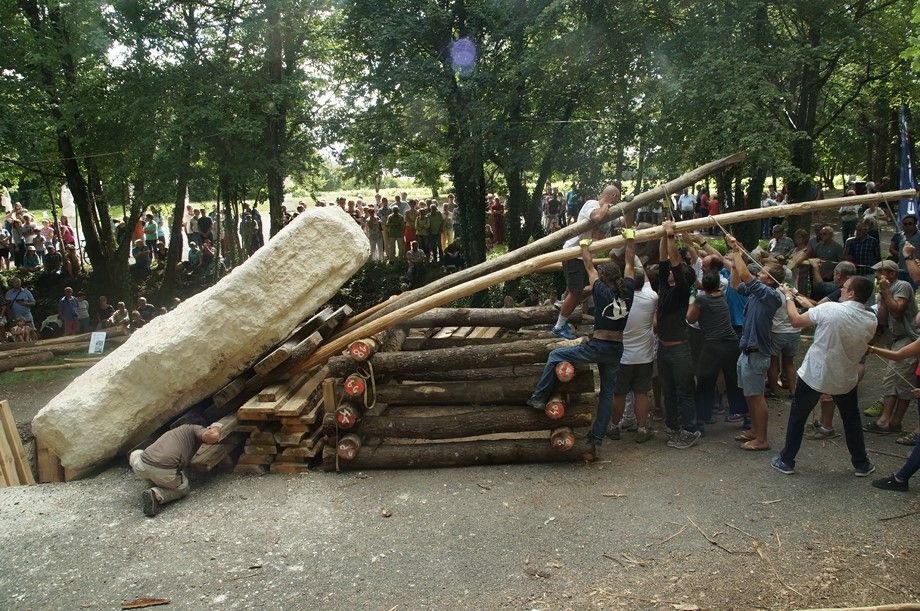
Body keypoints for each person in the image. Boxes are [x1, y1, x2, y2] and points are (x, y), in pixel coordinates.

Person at [526, 227, 637, 453]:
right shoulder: (629, 291)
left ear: (603, 279)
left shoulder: (601, 290)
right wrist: (630, 239)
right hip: (616, 349)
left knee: (556, 354)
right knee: (606, 393)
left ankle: (538, 397)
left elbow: (588, 265)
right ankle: (596, 436)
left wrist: (584, 244)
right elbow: (630, 262)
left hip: (598, 346)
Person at [770, 276, 878, 476]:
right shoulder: (871, 318)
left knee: (797, 418)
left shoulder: (831, 309)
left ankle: (786, 460)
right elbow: (828, 314)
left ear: (851, 293)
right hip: (844, 377)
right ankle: (861, 464)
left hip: (815, 375)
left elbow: (795, 321)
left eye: (844, 288)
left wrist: (788, 297)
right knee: (851, 419)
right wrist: (801, 299)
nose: (841, 290)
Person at [726, 234, 783, 451]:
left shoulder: (769, 295)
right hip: (747, 351)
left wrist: (737, 250)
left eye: (763, 273)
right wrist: (733, 263)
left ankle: (762, 439)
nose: (759, 274)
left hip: (757, 352)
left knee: (757, 396)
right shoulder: (756, 293)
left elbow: (746, 275)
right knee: (749, 394)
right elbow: (735, 283)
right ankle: (754, 431)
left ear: (771, 279)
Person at [551, 185, 621, 340]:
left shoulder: (610, 210)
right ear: (613, 195)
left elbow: (623, 222)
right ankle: (558, 326)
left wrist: (629, 207)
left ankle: (564, 302)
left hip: (585, 255)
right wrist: (606, 205)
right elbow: (596, 217)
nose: (618, 202)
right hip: (574, 253)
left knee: (584, 289)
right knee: (576, 292)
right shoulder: (592, 204)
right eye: (618, 198)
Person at [864, 259, 919, 435]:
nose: (876, 276)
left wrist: (887, 291)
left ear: (891, 274)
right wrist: (882, 296)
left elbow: (897, 311)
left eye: (879, 272)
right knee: (895, 380)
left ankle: (888, 421)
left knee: (897, 380)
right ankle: (891, 421)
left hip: (908, 339)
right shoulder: (883, 291)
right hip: (894, 339)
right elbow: (882, 319)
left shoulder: (902, 286)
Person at [129, 422, 222, 516]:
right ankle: (156, 494)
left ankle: (151, 479)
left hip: (141, 465)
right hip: (164, 471)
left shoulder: (176, 433)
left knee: (136, 453)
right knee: (183, 489)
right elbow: (213, 436)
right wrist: (216, 426)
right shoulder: (194, 429)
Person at [889, 214, 920, 285]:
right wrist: (901, 254)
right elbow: (891, 249)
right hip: (901, 269)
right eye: (905, 224)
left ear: (915, 224)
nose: (907, 226)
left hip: (915, 270)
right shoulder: (899, 235)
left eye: (910, 223)